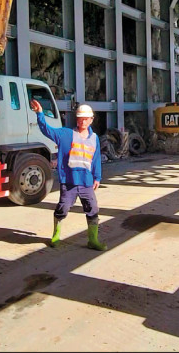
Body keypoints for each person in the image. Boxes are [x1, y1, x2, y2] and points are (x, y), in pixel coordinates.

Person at [30, 99, 107, 251]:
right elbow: (47, 130)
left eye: (86, 118)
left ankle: (93, 240)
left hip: (86, 182)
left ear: (91, 120)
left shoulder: (94, 138)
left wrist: (97, 177)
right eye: (80, 118)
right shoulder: (66, 134)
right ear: (76, 119)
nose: (83, 121)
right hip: (70, 181)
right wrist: (40, 114)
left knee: (92, 209)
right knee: (63, 208)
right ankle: (56, 235)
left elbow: (96, 158)